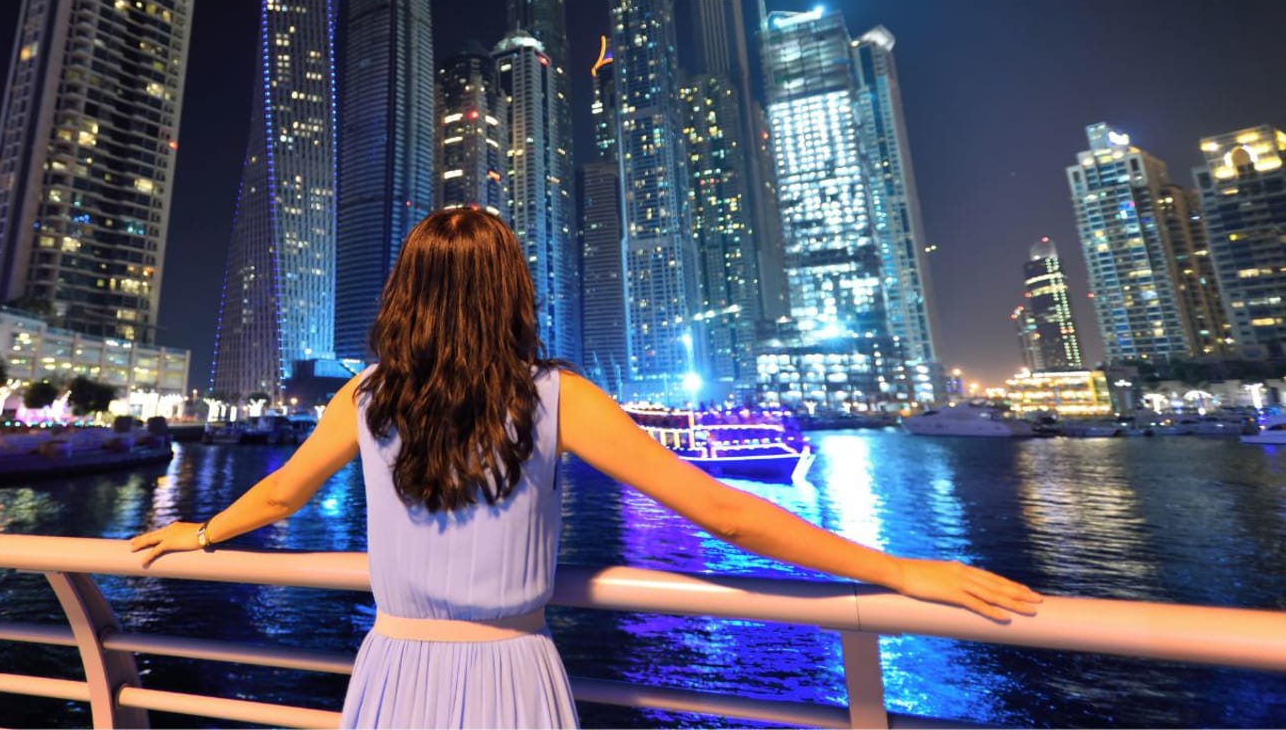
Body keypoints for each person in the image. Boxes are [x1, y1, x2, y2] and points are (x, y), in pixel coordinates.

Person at [131, 209, 1041, 728]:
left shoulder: (366, 395)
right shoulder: (556, 395)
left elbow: (286, 492)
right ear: (511, 289)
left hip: (390, 670)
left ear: (407, 290)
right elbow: (721, 513)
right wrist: (896, 570)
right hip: (510, 673)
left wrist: (201, 532)